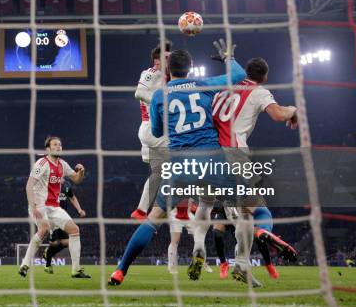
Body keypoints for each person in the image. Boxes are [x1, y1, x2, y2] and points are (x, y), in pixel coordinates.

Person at [108, 40, 247, 286]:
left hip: (180, 164)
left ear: (168, 70)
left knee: (155, 218)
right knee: (244, 206)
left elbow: (159, 129)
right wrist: (228, 58)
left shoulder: (161, 94)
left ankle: (120, 270)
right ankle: (248, 247)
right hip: (211, 159)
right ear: (191, 68)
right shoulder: (203, 84)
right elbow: (238, 75)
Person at [211, 57, 299, 280]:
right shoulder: (259, 91)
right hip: (235, 156)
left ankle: (241, 265)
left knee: (243, 215)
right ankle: (263, 232)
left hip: (210, 159)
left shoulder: (223, 91)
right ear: (265, 77)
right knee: (260, 210)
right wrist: (293, 109)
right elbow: (279, 114)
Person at [19, 136, 90, 278]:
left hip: (54, 207)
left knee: (75, 230)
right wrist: (33, 206)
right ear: (48, 148)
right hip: (39, 205)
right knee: (44, 229)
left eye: (60, 144)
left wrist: (81, 172)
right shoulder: (42, 163)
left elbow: (76, 179)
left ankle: (76, 270)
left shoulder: (62, 165)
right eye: (55, 144)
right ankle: (25, 264)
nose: (58, 146)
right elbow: (29, 185)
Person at [131, 41, 172, 219]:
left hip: (156, 132)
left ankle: (141, 210)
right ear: (157, 60)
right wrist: (158, 103)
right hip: (152, 129)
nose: (171, 60)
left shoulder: (167, 78)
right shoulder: (151, 72)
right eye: (167, 57)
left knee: (158, 172)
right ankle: (188, 206)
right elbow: (139, 92)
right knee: (186, 158)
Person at [43, 180, 86, 274]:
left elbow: (72, 197)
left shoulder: (66, 184)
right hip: (52, 217)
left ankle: (48, 255)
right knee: (54, 243)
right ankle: (48, 265)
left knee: (67, 242)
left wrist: (79, 210)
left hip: (63, 218)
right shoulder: (50, 182)